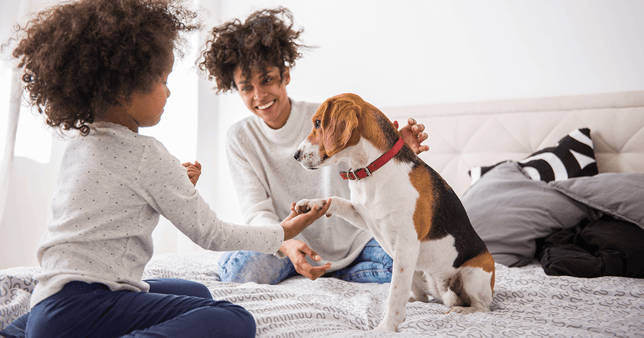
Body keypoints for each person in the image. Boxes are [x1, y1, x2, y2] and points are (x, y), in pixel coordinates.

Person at [2, 1, 330, 337]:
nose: (169, 91)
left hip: (49, 303)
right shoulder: (147, 154)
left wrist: (175, 185)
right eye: (162, 79)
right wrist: (284, 232)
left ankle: (17, 331)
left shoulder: (80, 143)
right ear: (125, 86)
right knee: (235, 319)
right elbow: (212, 234)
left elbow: (115, 205)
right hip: (87, 305)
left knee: (197, 292)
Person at [198, 7, 429, 285]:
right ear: (236, 89)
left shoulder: (326, 118)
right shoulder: (240, 137)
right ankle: (328, 270)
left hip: (354, 240)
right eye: (246, 88)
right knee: (239, 271)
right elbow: (257, 211)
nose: (259, 95)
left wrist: (395, 154)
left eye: (267, 80)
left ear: (285, 76)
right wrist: (285, 243)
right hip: (287, 239)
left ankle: (333, 271)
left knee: (414, 267)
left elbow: (366, 172)